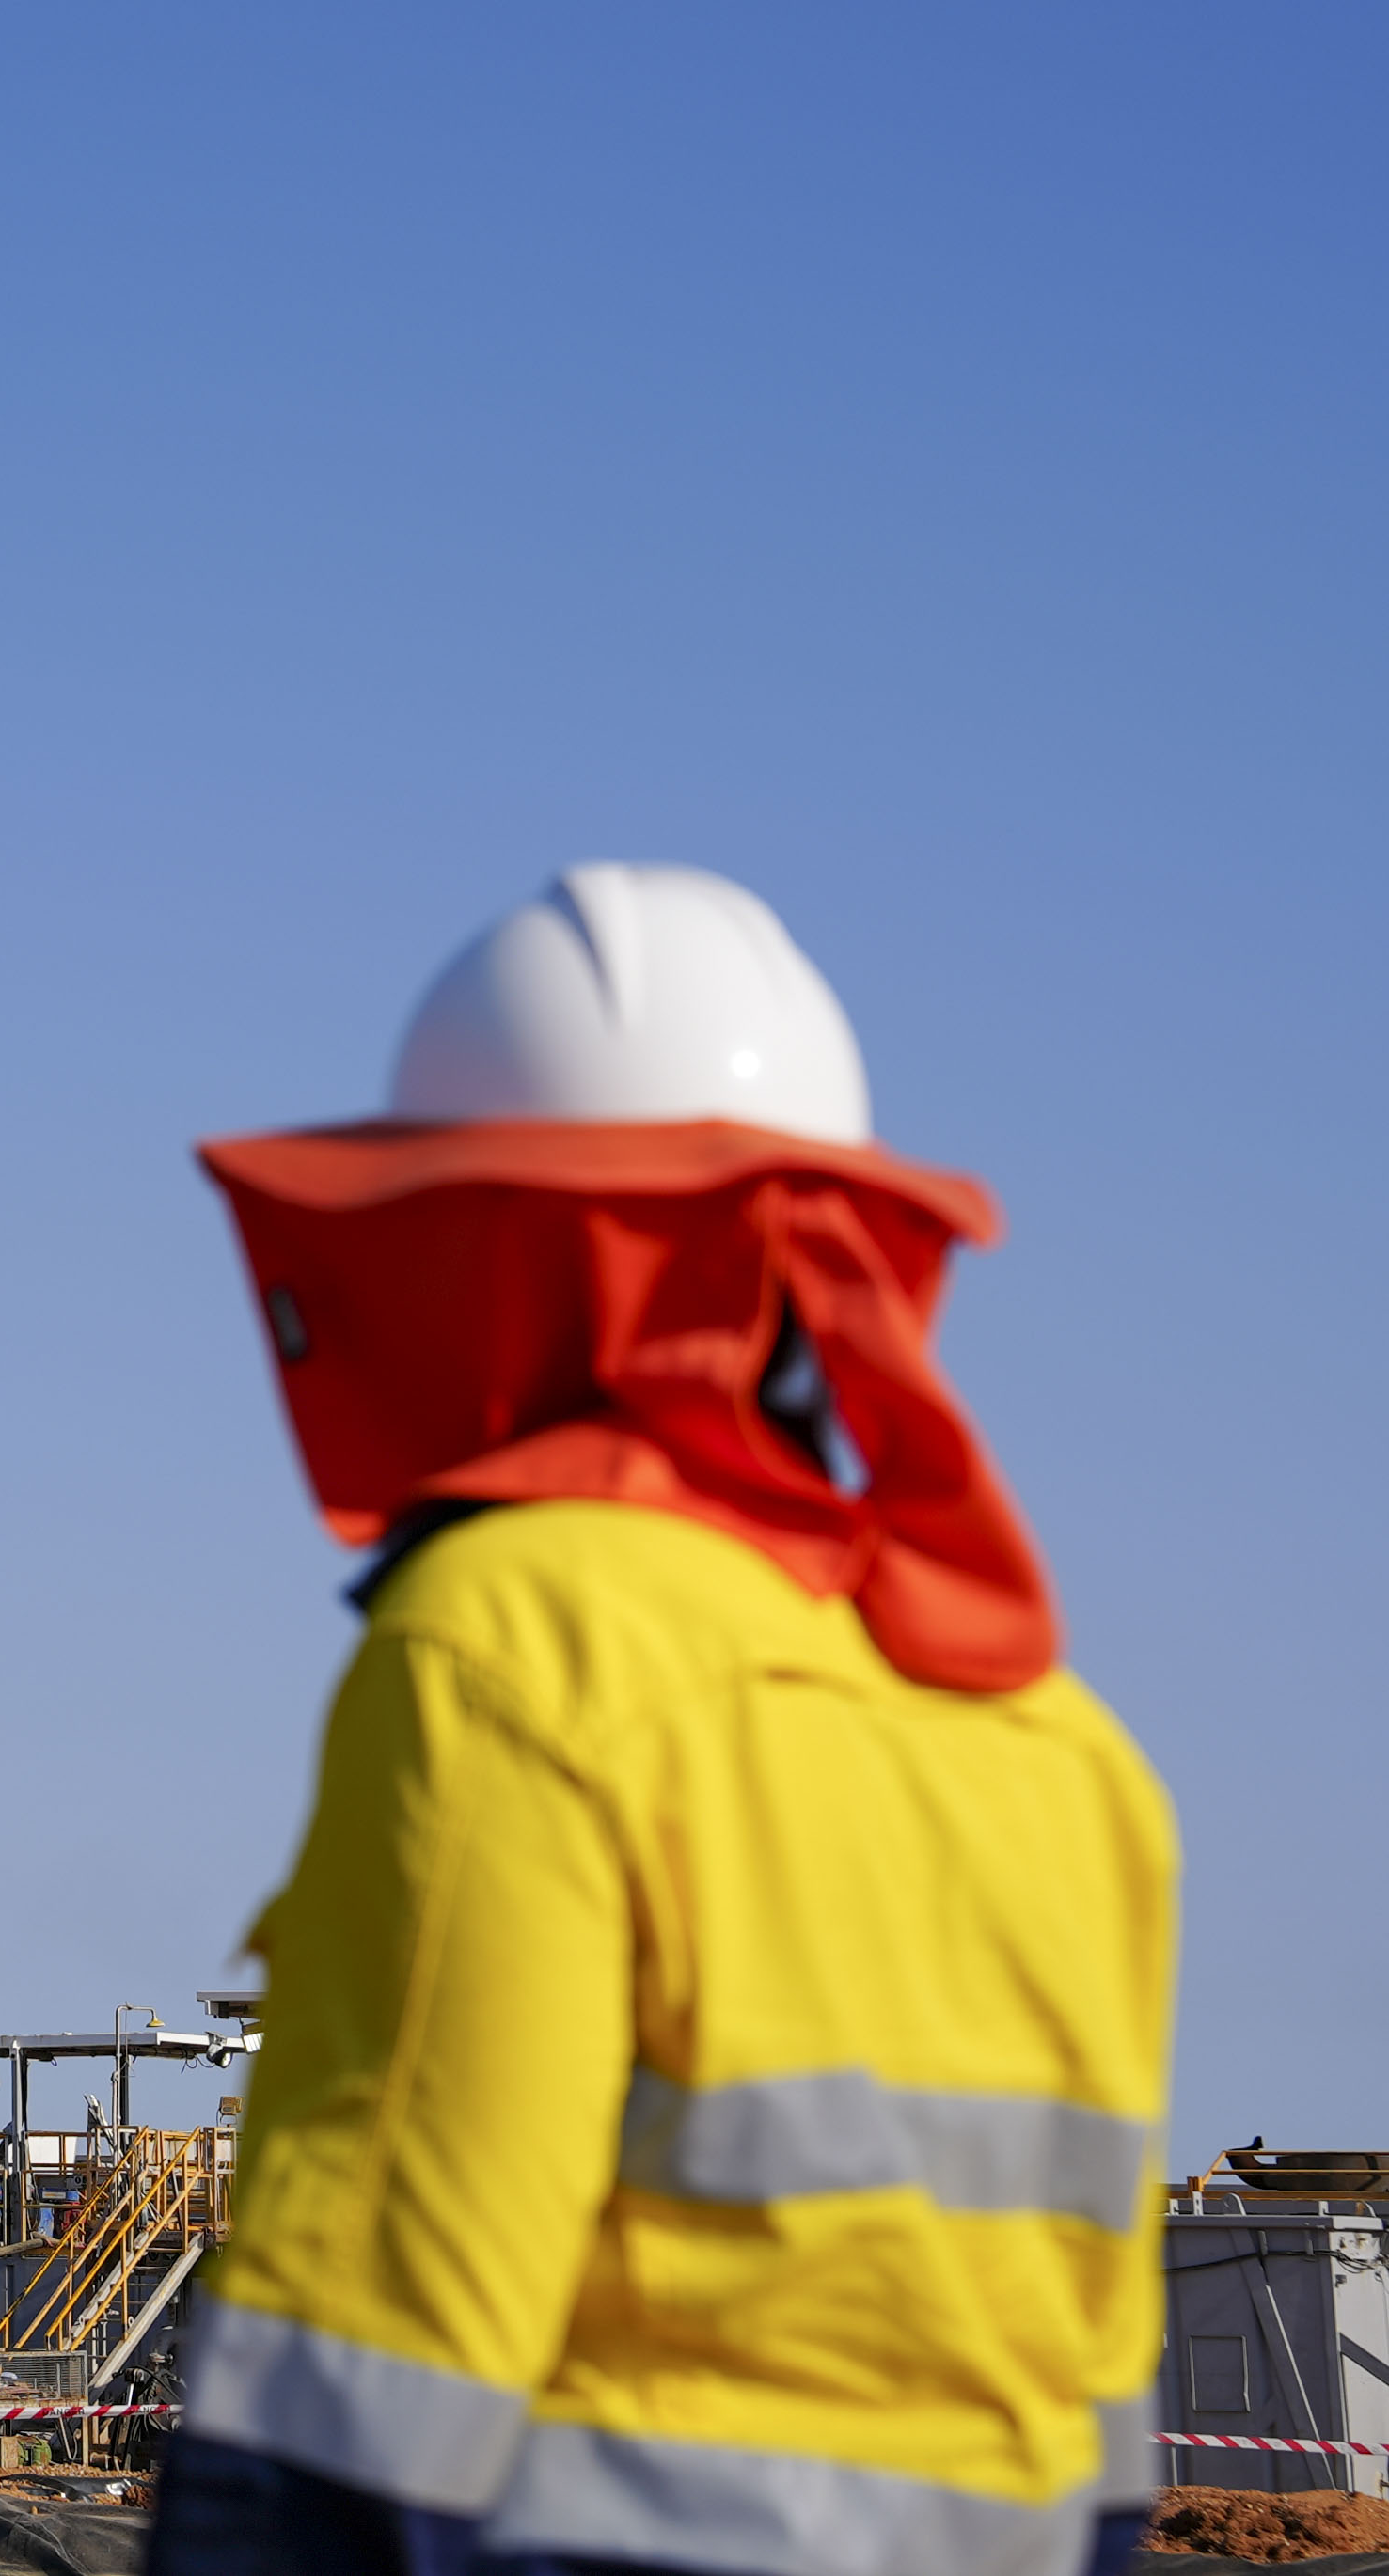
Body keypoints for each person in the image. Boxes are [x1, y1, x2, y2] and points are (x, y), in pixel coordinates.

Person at [150, 865, 1176, 2576]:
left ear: (463, 1247)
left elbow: (364, 2388)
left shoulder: (513, 1643)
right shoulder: (1067, 1756)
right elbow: (1096, 2459)